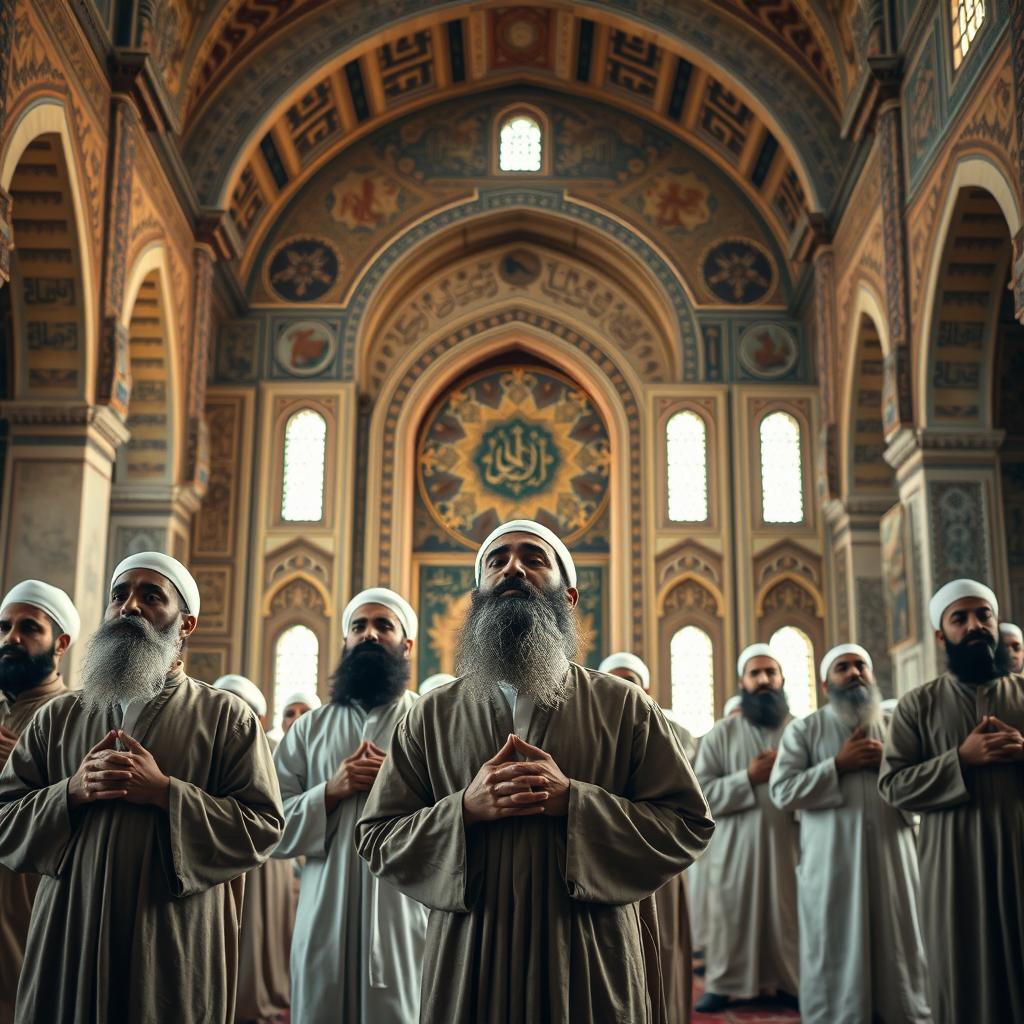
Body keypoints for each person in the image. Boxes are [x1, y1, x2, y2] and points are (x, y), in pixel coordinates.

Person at [357, 520, 714, 1023]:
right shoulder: (430, 716)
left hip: (589, 955)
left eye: (533, 559)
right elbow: (377, 836)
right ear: (476, 593)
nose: (513, 569)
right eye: (497, 561)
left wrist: (576, 803)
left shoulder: (623, 707)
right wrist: (464, 811)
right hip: (471, 955)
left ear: (567, 597)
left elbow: (687, 824)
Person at [0, 552, 283, 1024]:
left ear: (186, 624)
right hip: (70, 930)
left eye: (151, 596)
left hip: (172, 936)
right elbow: (5, 816)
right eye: (120, 595)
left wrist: (166, 793)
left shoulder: (226, 718)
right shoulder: (59, 716)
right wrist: (69, 793)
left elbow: (263, 826)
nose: (129, 606)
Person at [273, 588, 428, 1024]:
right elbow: (267, 823)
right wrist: (330, 791)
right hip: (324, 908)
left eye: (384, 625)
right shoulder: (308, 729)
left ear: (406, 644)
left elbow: (455, 813)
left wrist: (395, 784)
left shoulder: (427, 721)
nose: (369, 635)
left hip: (403, 912)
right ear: (345, 642)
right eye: (358, 626)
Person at [879, 579, 1024, 1024]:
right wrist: (960, 760)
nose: (975, 625)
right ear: (941, 635)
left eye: (984, 615)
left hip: (1020, 855)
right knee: (962, 971)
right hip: (952, 864)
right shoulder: (916, 705)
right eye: (959, 619)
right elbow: (893, 786)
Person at [769, 643, 931, 1024]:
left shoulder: (896, 726)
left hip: (894, 857)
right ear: (826, 685)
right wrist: (837, 765)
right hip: (832, 865)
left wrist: (887, 768)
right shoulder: (804, 730)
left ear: (873, 676)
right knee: (835, 945)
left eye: (861, 665)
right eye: (843, 667)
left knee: (900, 942)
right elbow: (782, 791)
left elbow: (923, 786)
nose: (854, 672)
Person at [693, 643, 799, 1014]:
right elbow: (700, 794)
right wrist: (748, 778)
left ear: (783, 679)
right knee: (732, 912)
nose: (764, 679)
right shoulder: (721, 734)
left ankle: (789, 983)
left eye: (771, 672)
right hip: (735, 846)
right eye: (755, 673)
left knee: (786, 914)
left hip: (791, 844)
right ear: (743, 681)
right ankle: (724, 984)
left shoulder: (799, 730)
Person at [598, 649, 697, 1024]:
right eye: (615, 681)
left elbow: (684, 804)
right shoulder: (588, 725)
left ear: (647, 689)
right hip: (604, 857)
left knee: (661, 949)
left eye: (631, 682)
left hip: (658, 863)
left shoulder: (677, 733)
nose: (623, 689)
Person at [0, 581, 79, 1023]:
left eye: (29, 627)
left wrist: (23, 766)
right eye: (5, 626)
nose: (12, 637)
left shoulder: (78, 715)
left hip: (34, 906)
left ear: (60, 643)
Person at [213, 674, 296, 1024]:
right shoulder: (205, 741)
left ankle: (253, 995)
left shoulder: (274, 750)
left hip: (260, 858)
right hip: (213, 850)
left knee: (255, 929)